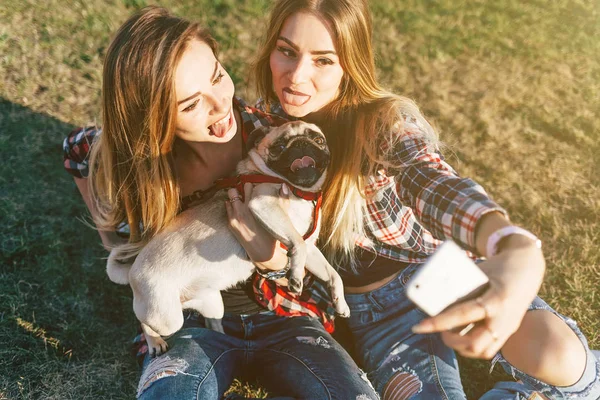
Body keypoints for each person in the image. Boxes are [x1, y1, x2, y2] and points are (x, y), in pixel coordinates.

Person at [252, 0, 600, 399]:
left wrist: (511, 244)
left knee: (560, 357)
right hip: (377, 314)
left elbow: (431, 181)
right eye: (287, 51)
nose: (297, 76)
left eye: (323, 61)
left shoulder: (382, 125)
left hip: (441, 272)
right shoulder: (263, 130)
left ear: (350, 65)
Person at [62, 6, 379, 400]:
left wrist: (273, 261)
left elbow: (310, 258)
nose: (219, 105)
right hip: (190, 324)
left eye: (218, 77)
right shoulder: (142, 171)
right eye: (191, 104)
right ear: (153, 119)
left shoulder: (269, 139)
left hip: (285, 321)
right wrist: (113, 239)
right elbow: (76, 149)